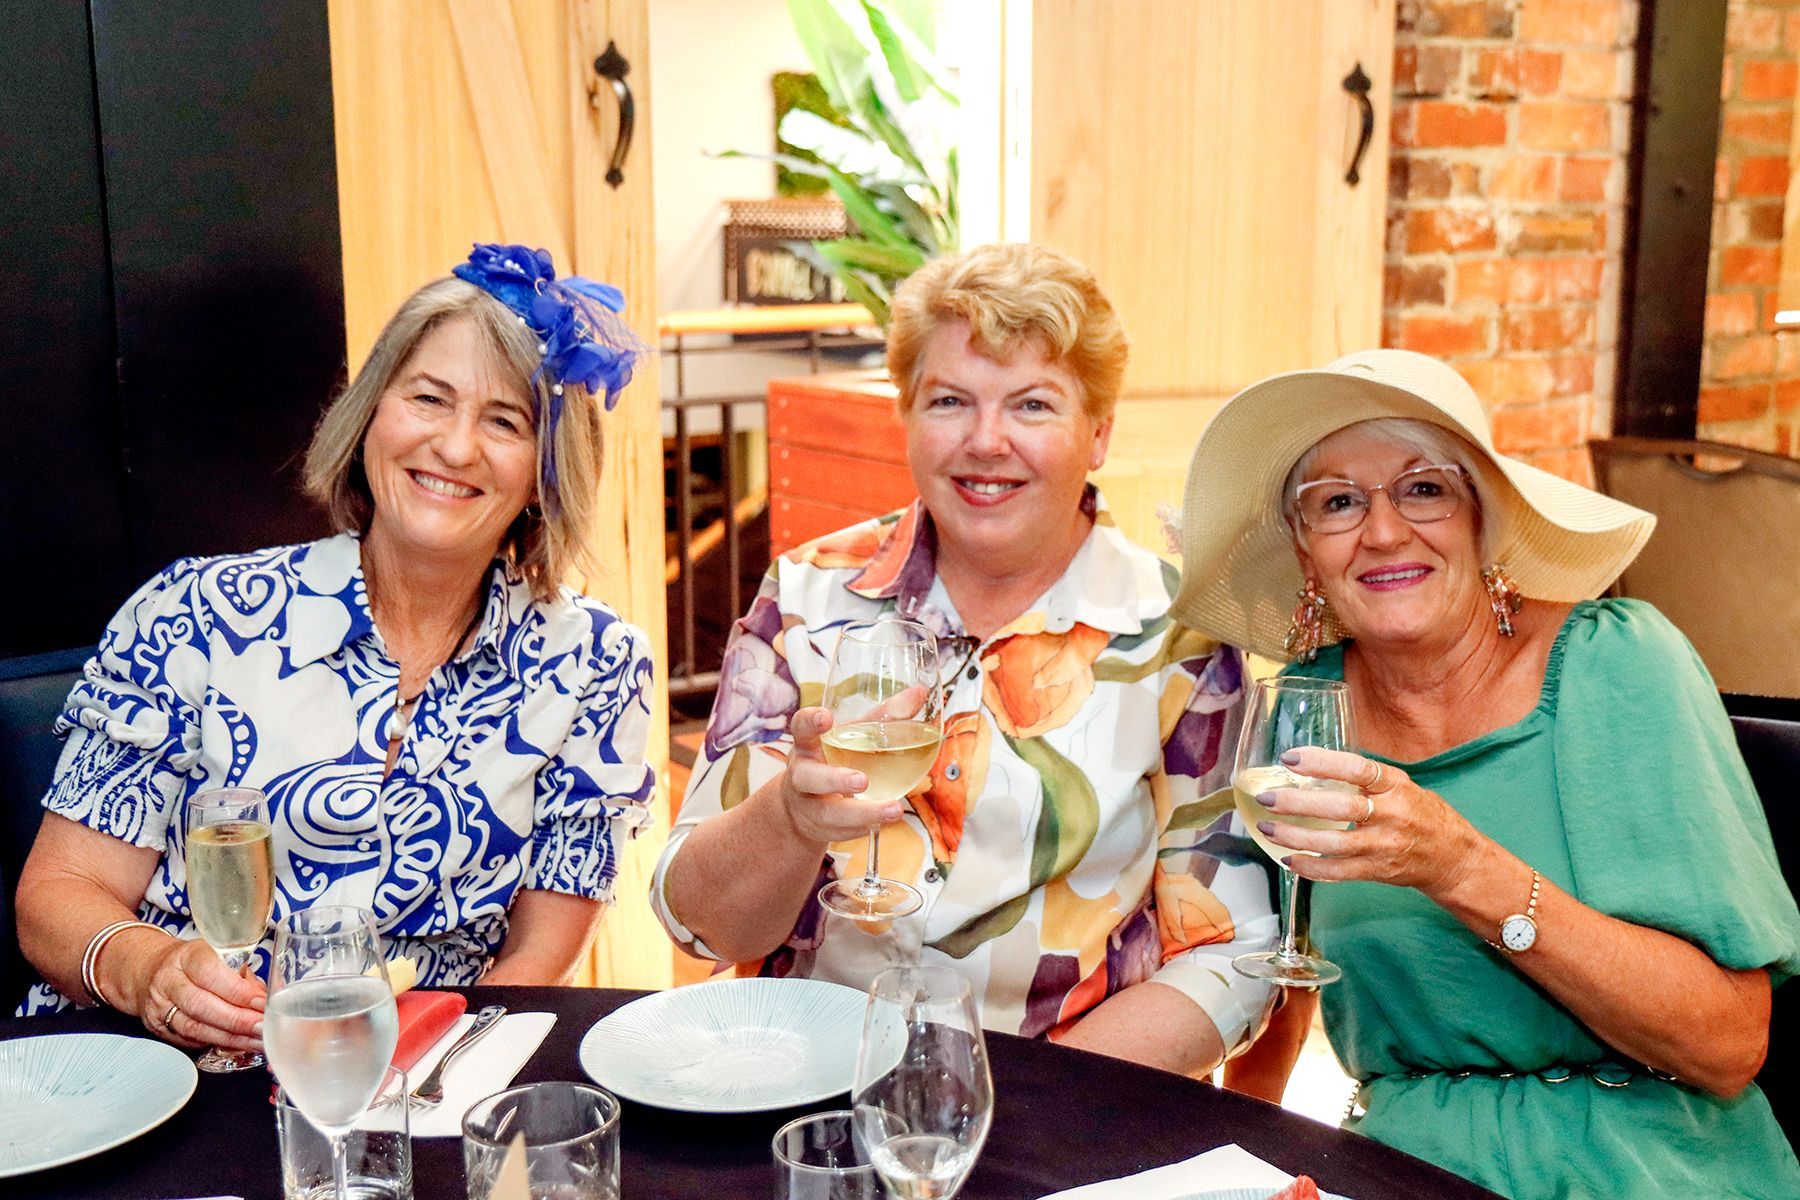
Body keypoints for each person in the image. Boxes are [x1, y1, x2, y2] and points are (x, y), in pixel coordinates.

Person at [1170, 347, 1800, 1197]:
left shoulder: (1616, 664)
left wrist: (1458, 864)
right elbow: (1288, 967)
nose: (1384, 531)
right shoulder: (1302, 708)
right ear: (1305, 551)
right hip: (1401, 1166)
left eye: (1424, 488)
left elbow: (1728, 1046)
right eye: (1339, 503)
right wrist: (1254, 1151)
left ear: (1483, 517)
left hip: (1645, 1161)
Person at [16, 244, 657, 1058]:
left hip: (416, 1076)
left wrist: (418, 1088)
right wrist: (152, 972)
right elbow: (56, 897)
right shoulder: (196, 615)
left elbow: (534, 961)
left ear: (546, 473)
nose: (457, 448)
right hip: (154, 1065)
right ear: (371, 419)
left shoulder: (597, 665)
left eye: (506, 421)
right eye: (429, 399)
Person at [652, 243, 1276, 1075]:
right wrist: (789, 821)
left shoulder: (1177, 633)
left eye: (1033, 405)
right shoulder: (806, 594)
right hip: (802, 1092)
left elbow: (1230, 953)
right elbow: (702, 926)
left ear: (1098, 434)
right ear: (906, 418)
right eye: (949, 401)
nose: (987, 441)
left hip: (1063, 1120)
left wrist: (1015, 1108)